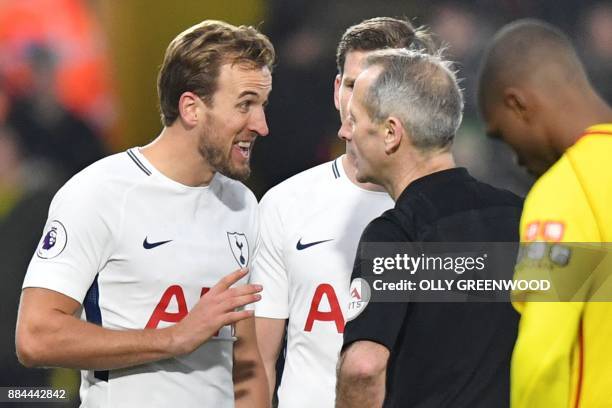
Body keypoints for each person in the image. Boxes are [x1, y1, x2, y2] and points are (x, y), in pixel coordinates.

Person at [15, 20, 273, 407]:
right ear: (191, 108)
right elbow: (35, 337)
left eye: (262, 106)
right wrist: (174, 338)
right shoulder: (99, 193)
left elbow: (246, 360)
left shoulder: (243, 204)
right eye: (245, 104)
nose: (261, 126)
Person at [249, 17, 432, 407]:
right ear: (336, 91)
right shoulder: (284, 204)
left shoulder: (446, 211)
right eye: (352, 85)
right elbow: (259, 360)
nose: (361, 102)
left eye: (379, 87)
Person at [335, 49, 523, 407]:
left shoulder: (397, 234)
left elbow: (363, 368)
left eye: (353, 120)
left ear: (391, 133)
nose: (345, 131)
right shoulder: (520, 215)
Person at [477, 19, 612, 408]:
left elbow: (543, 357)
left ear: (518, 104)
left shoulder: (568, 190)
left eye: (503, 135)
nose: (515, 158)